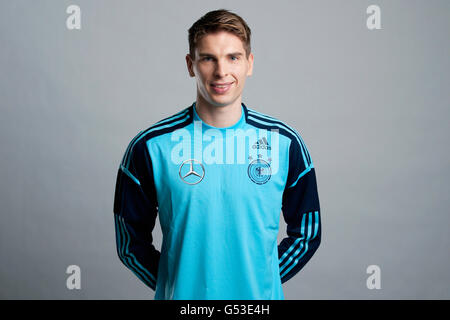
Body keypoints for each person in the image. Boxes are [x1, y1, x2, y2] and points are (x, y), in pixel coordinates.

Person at [113, 8, 321, 300]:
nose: (221, 71)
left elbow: (308, 233)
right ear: (190, 65)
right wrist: (175, 283)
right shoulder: (151, 146)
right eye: (208, 58)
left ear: (249, 63)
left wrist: (262, 280)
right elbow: (129, 241)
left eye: (233, 57)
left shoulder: (284, 143)